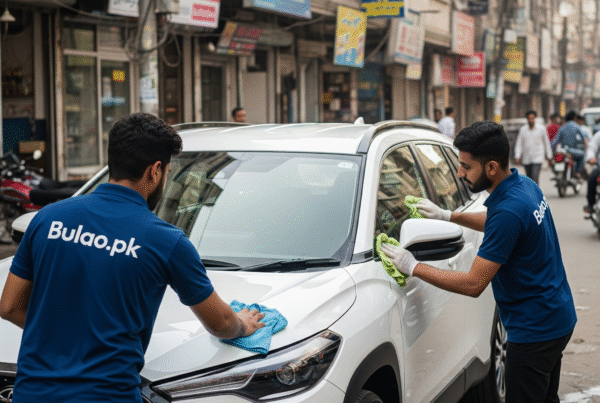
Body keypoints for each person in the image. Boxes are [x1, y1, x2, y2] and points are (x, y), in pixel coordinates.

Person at [0, 113, 265, 403]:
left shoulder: (47, 219)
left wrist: (67, 333)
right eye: (167, 173)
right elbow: (221, 323)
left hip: (31, 395)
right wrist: (243, 324)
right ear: (155, 171)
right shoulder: (166, 241)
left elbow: (10, 306)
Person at [382, 121, 577, 402]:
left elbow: (474, 284)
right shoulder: (525, 186)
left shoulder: (509, 209)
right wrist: (449, 216)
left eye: (466, 166)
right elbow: (502, 224)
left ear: (491, 168)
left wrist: (413, 266)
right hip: (557, 315)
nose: (460, 173)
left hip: (534, 330)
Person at [514, 110, 553, 185]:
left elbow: (546, 143)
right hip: (527, 158)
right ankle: (531, 194)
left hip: (538, 157)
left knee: (535, 177)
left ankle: (536, 194)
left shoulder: (541, 128)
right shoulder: (523, 130)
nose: (531, 120)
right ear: (527, 119)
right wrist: (517, 156)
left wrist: (549, 156)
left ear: (535, 118)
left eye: (532, 118)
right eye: (529, 118)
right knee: (529, 178)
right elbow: (519, 144)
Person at [552, 110, 587, 177]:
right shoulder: (576, 126)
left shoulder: (562, 127)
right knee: (582, 155)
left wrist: (553, 151)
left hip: (563, 152)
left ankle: (556, 174)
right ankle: (577, 172)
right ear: (574, 118)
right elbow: (583, 138)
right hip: (573, 151)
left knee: (555, 161)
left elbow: (555, 141)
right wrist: (584, 145)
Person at [584, 129, 600, 214]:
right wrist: (591, 158)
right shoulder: (598, 135)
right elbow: (591, 148)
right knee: (592, 179)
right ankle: (590, 204)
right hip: (598, 167)